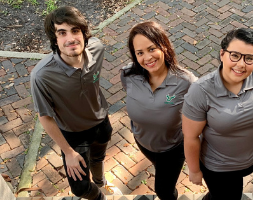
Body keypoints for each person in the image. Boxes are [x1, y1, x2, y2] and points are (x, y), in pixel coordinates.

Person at [181, 28, 253, 200]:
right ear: (222, 54)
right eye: (235, 55)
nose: (241, 64)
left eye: (249, 58)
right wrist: (194, 170)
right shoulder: (200, 91)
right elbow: (191, 137)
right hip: (221, 167)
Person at [30, 6, 117, 200]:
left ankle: (101, 181)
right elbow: (45, 117)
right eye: (62, 33)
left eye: (75, 30)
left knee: (98, 158)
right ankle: (99, 197)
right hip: (73, 135)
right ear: (55, 39)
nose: (71, 39)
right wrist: (68, 152)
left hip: (101, 123)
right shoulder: (42, 76)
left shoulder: (97, 49)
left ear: (84, 33)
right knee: (80, 188)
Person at [120, 21, 197, 200]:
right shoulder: (128, 75)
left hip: (173, 149)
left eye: (152, 48)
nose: (147, 58)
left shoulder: (186, 81)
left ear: (164, 46)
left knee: (163, 191)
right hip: (143, 142)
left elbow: (209, 104)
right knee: (160, 172)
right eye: (140, 53)